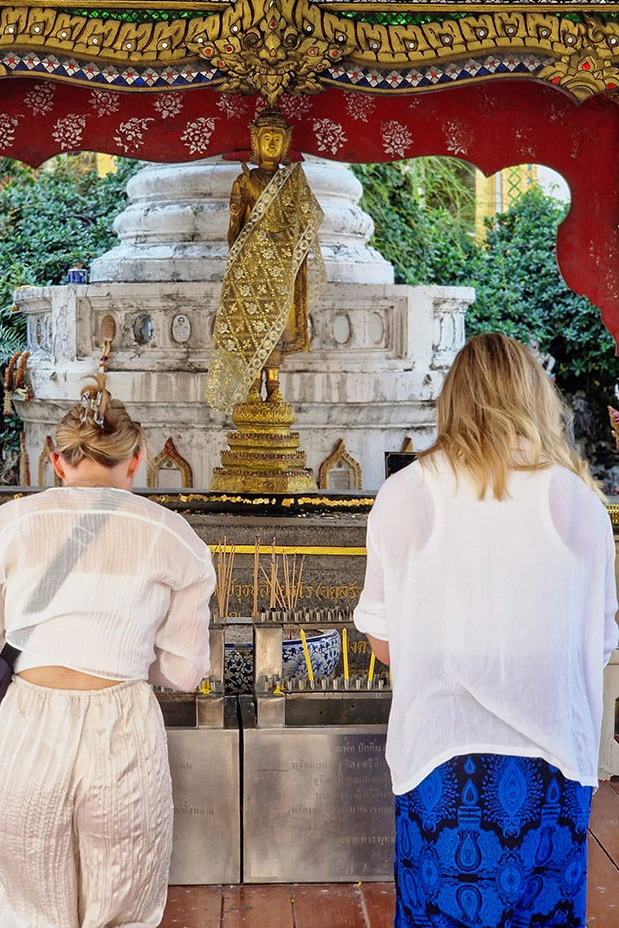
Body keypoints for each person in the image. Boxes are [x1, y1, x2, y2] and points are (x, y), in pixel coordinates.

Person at [354, 333, 618, 928]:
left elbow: (384, 643)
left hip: (441, 763)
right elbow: (598, 647)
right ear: (534, 397)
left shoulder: (405, 496)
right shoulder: (580, 502)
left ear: (453, 399)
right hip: (552, 761)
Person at [0, 374, 215, 928]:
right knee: (123, 908)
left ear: (57, 461)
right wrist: (125, 650)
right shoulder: (175, 539)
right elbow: (185, 671)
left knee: (27, 911)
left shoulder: (4, 527)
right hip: (121, 728)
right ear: (138, 460)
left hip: (27, 727)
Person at [206, 106, 325, 414]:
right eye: (265, 137)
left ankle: (273, 387)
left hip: (281, 267)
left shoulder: (293, 182)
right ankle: (251, 388)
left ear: (286, 143)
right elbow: (237, 228)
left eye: (277, 138)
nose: (271, 144)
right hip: (252, 267)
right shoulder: (246, 181)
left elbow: (307, 219)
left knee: (275, 330)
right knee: (250, 329)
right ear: (254, 140)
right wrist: (236, 212)